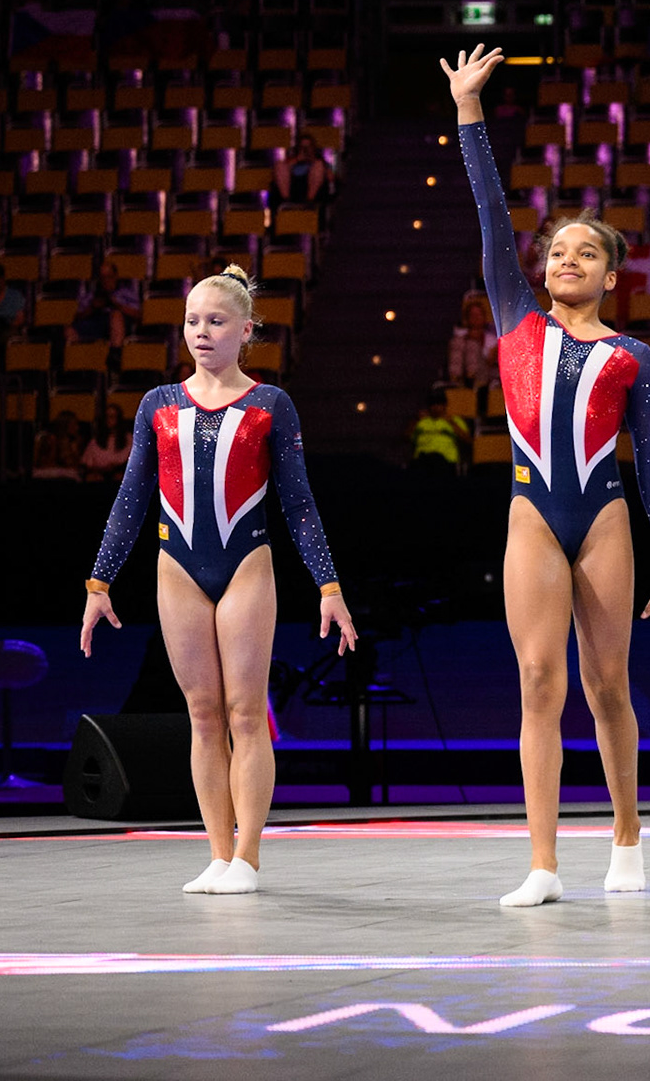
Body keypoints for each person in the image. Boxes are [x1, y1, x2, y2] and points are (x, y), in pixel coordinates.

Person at [443, 44, 650, 908]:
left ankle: (626, 836)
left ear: (612, 276)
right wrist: (469, 111)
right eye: (558, 252)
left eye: (587, 254)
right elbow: (487, 213)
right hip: (533, 513)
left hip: (607, 515)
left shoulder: (631, 356)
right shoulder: (514, 318)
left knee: (606, 683)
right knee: (540, 682)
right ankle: (543, 864)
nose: (567, 260)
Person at [80, 264, 355, 897]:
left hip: (246, 566)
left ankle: (249, 857)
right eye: (192, 321)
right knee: (203, 715)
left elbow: (300, 502)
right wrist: (99, 584)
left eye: (216, 321)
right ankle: (217, 851)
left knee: (244, 712)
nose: (201, 333)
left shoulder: (269, 405)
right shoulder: (159, 405)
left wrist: (329, 587)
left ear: (246, 331)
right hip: (177, 567)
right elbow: (131, 498)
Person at [70, 261, 141, 348]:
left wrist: (118, 305)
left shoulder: (125, 293)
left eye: (109, 277)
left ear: (115, 276)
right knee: (69, 330)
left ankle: (115, 354)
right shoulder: (92, 295)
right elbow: (78, 316)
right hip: (97, 322)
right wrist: (92, 308)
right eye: (103, 278)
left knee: (116, 316)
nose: (106, 281)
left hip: (119, 323)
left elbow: (138, 314)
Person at [446, 294, 500, 387]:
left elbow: (491, 362)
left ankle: (472, 380)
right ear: (467, 318)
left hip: (483, 374)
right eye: (472, 315)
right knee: (459, 343)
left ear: (484, 317)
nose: (476, 318)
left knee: (472, 346)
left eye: (479, 314)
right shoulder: (460, 337)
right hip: (462, 372)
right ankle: (455, 380)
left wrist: (478, 342)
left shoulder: (491, 339)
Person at [410, 389, 465, 475]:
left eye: (438, 403)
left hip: (446, 461)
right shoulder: (421, 421)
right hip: (423, 460)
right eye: (432, 404)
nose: (435, 407)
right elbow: (406, 437)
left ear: (445, 405)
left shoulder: (454, 420)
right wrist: (416, 421)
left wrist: (452, 423)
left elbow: (468, 440)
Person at [79, 402, 133, 480]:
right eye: (106, 417)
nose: (108, 420)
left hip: (120, 472)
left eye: (112, 417)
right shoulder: (96, 440)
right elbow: (87, 463)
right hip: (99, 473)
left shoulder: (128, 439)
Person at [274, 132, 330, 204]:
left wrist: (311, 160)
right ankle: (286, 201)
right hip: (292, 186)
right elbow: (282, 171)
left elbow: (330, 176)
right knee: (279, 165)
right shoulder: (292, 159)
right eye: (302, 147)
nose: (305, 150)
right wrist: (298, 159)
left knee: (318, 167)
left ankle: (309, 202)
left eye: (308, 147)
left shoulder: (320, 162)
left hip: (311, 190)